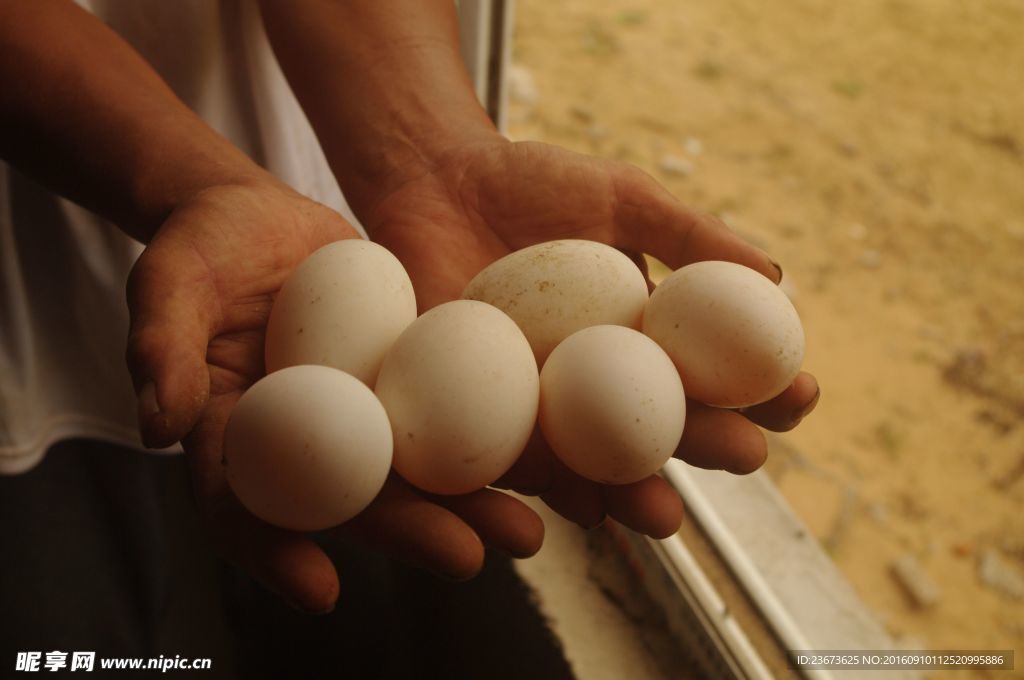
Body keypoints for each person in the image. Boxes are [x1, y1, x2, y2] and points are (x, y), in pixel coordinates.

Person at [0, 0, 819, 674]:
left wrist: (429, 150)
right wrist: (186, 178)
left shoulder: (384, 344)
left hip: (325, 250)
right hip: (40, 321)